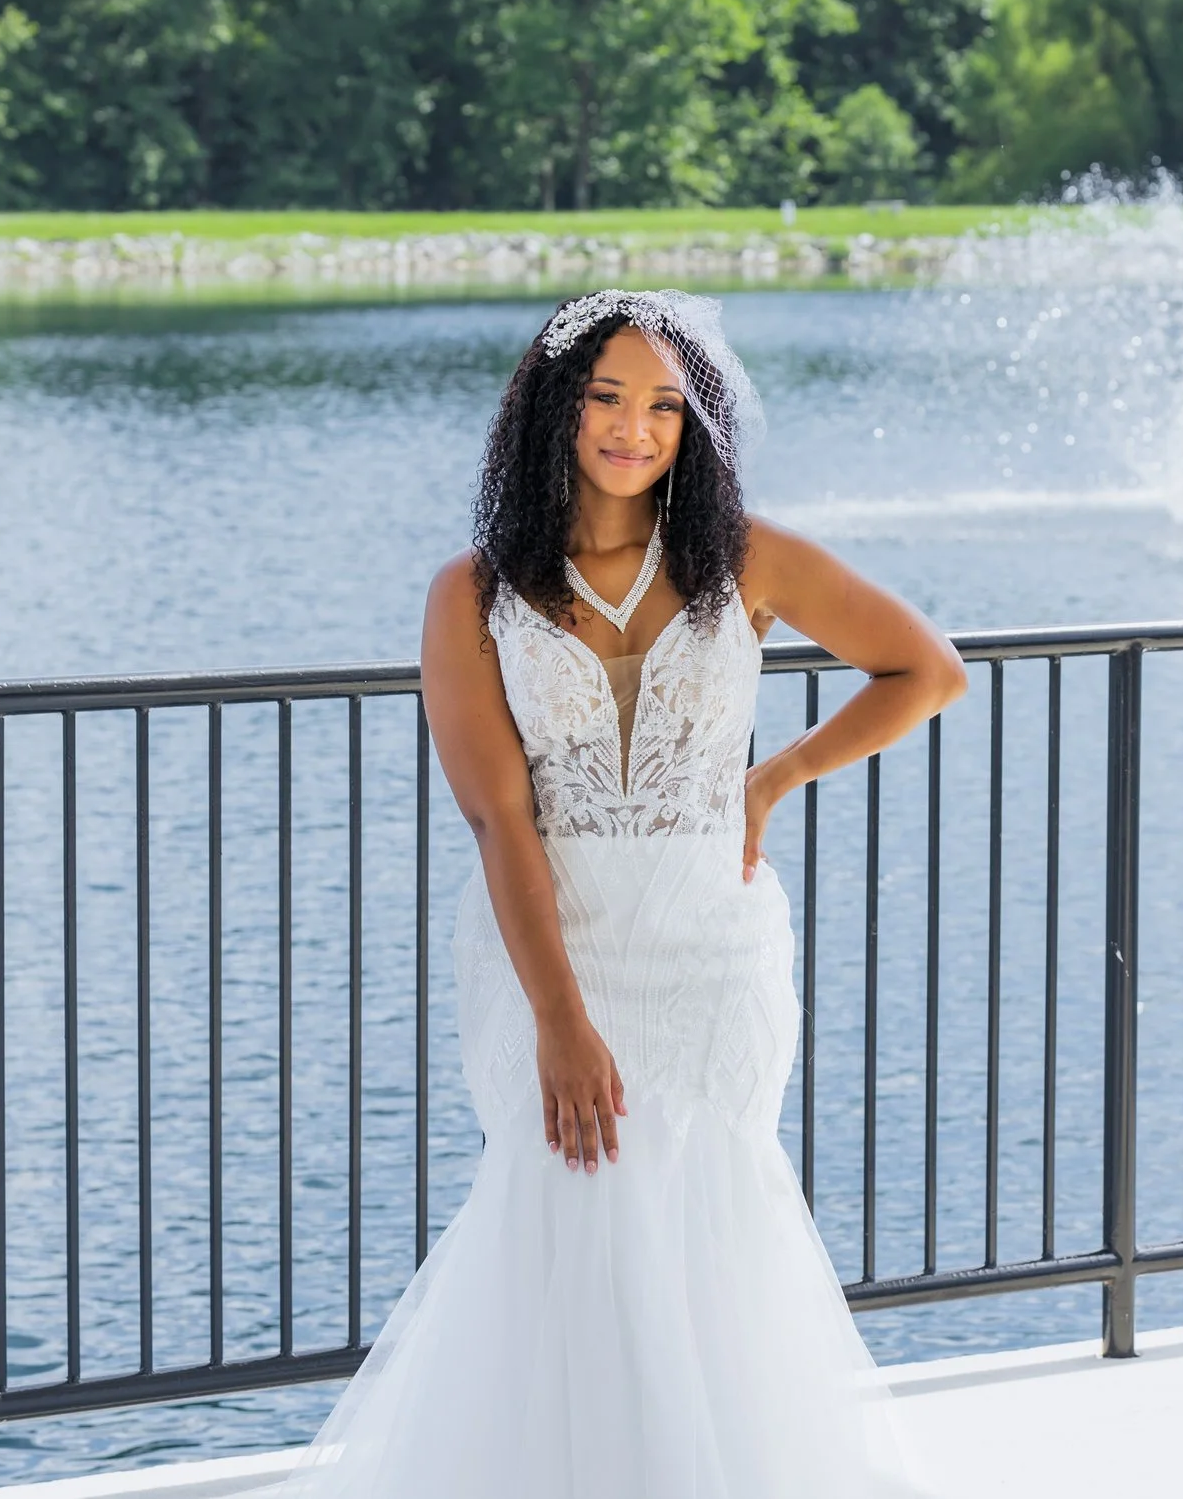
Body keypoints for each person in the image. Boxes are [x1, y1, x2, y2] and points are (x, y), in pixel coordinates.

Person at [282, 289, 966, 1498]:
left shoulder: (745, 558)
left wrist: (783, 771)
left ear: (695, 422)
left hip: (715, 956)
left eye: (663, 403)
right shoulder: (473, 594)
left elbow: (926, 667)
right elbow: (499, 818)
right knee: (564, 1224)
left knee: (717, 1220)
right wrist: (557, 1019)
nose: (633, 427)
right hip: (559, 948)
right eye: (606, 394)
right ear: (556, 402)